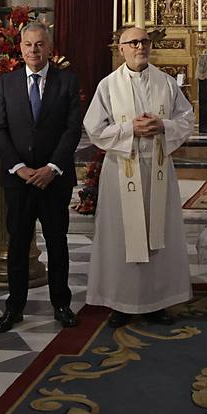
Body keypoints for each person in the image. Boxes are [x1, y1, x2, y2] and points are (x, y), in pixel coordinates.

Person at [83, 27, 193, 326]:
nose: (140, 47)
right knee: (121, 237)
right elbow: (93, 128)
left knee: (156, 235)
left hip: (157, 168)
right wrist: (130, 129)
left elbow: (186, 119)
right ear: (122, 49)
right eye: (133, 43)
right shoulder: (108, 86)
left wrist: (164, 127)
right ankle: (121, 302)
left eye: (144, 42)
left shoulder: (166, 83)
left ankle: (156, 301)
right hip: (122, 169)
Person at [0, 22, 83, 332]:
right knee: (17, 245)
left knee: (58, 244)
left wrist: (52, 168)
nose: (34, 50)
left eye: (40, 44)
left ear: (49, 47)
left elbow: (72, 129)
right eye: (28, 44)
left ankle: (62, 304)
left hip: (54, 179)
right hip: (19, 180)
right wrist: (19, 167)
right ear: (20, 47)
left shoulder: (66, 82)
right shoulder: (7, 83)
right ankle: (14, 307)